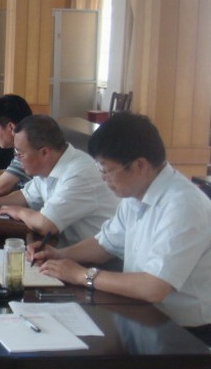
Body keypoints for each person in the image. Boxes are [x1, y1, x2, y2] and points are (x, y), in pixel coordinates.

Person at [29, 113, 211, 342]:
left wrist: (81, 275)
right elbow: (104, 244)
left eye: (107, 170)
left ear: (140, 165)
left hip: (185, 334)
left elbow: (154, 287)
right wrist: (58, 255)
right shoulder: (136, 192)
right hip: (143, 314)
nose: (103, 178)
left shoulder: (183, 205)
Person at [0, 115, 118, 245]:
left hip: (94, 258)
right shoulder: (48, 166)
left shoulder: (79, 173)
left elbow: (46, 225)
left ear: (44, 152)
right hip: (66, 249)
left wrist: (17, 212)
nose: (17, 159)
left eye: (20, 154)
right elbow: (26, 196)